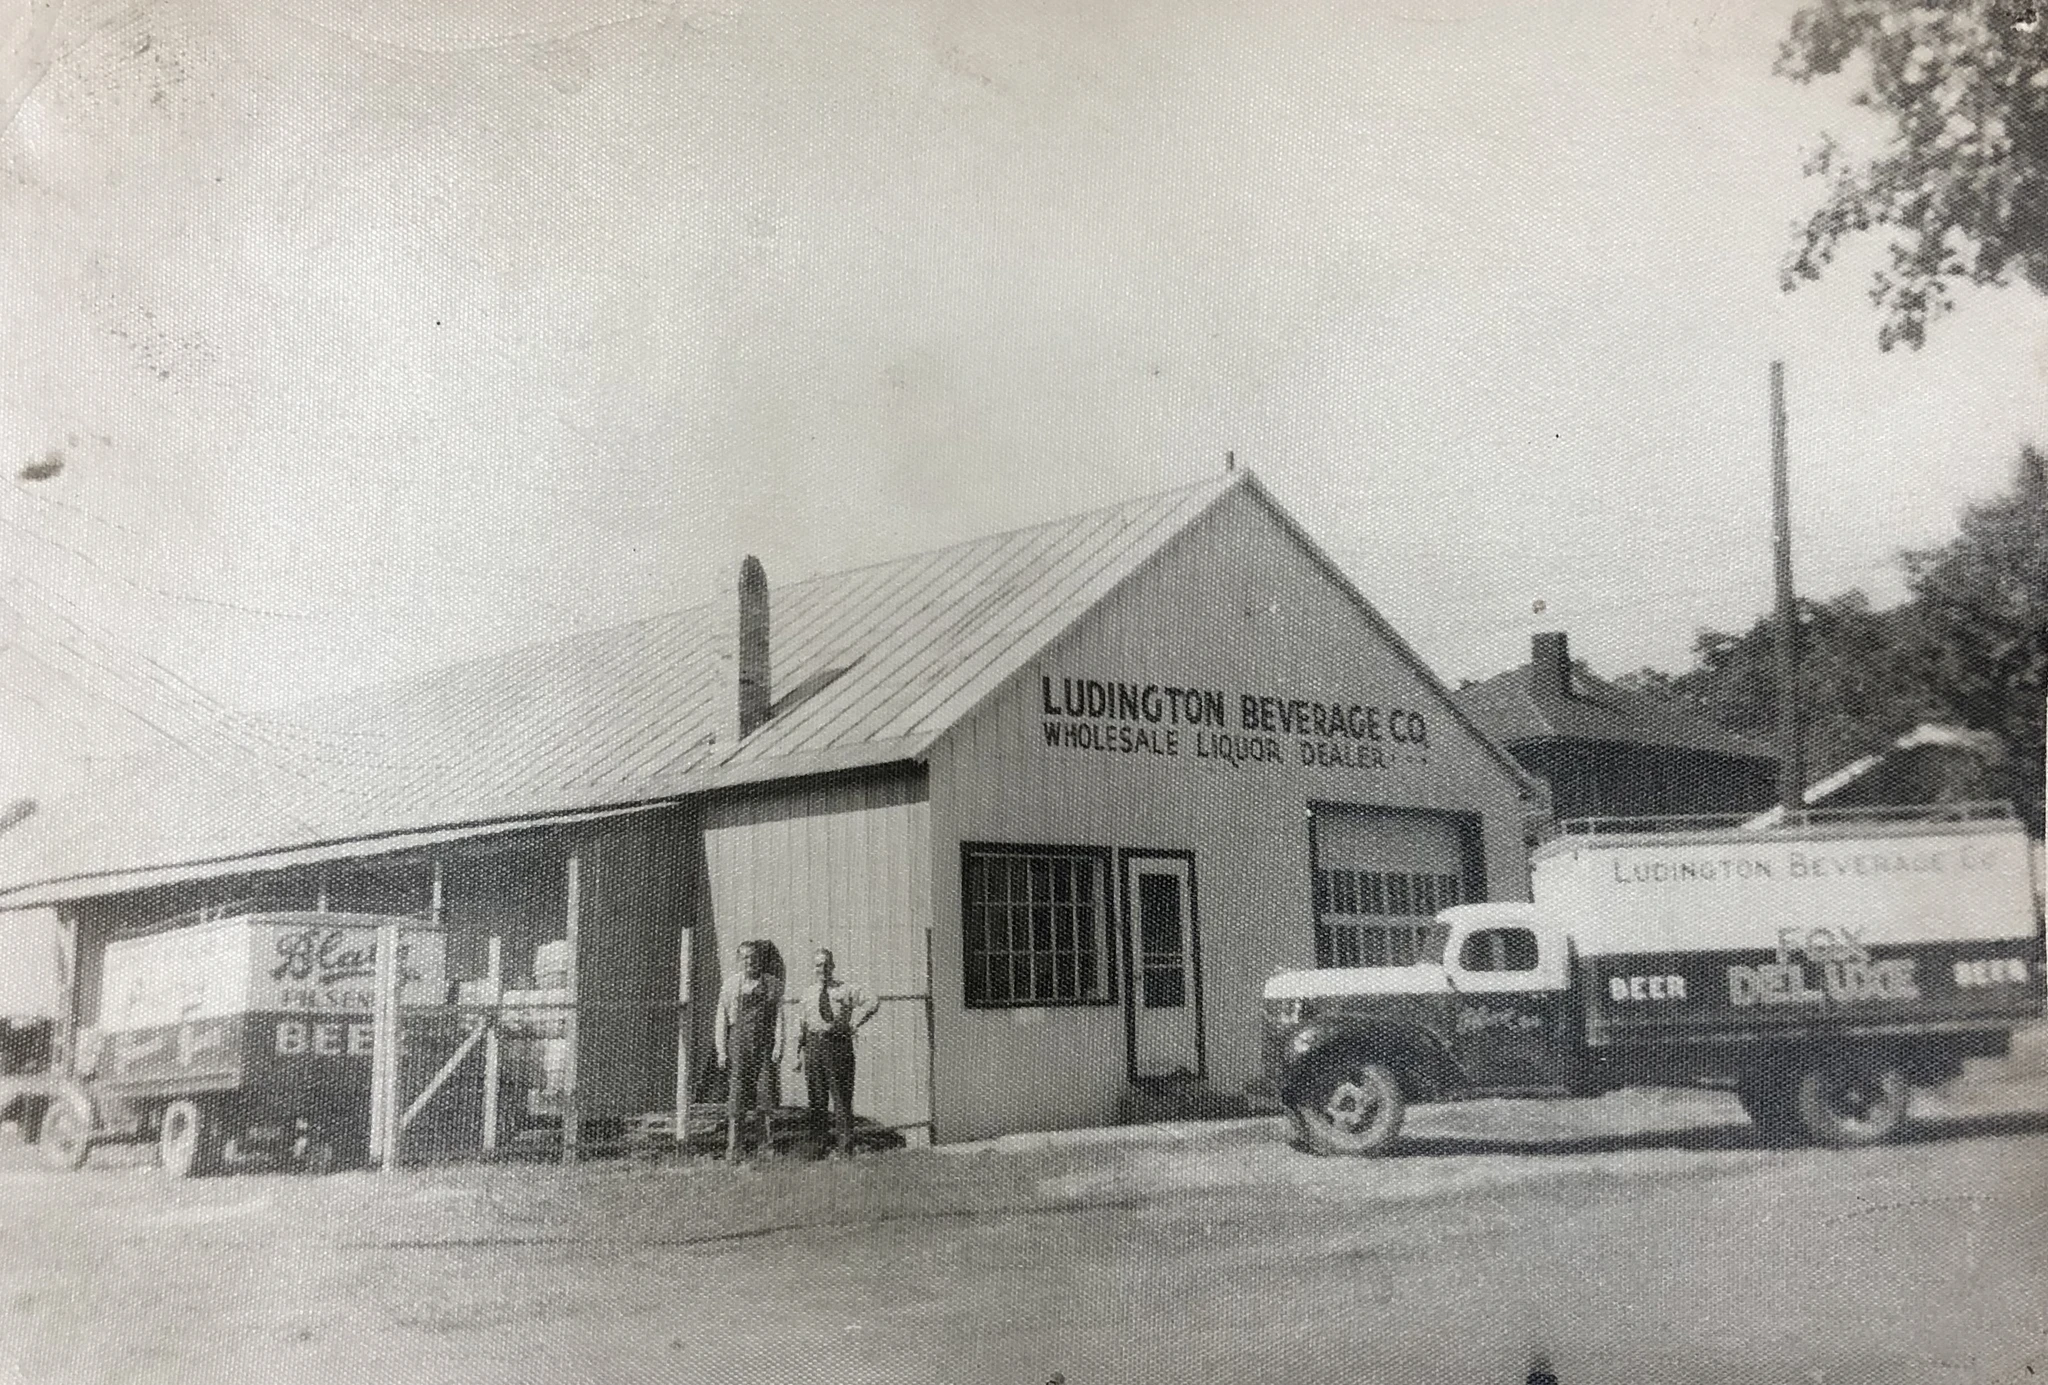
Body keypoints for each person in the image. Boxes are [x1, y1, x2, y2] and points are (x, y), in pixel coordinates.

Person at [792, 948, 878, 1158]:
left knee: (841, 1098)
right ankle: (818, 1147)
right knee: (817, 1099)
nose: (823, 969)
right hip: (813, 1047)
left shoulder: (845, 989)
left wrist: (853, 1024)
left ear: (833, 965)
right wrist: (797, 1054)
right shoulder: (808, 993)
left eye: (826, 964)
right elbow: (800, 1025)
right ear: (814, 968)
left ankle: (845, 1148)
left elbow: (873, 1001)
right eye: (818, 965)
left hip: (838, 1046)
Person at [713, 940, 785, 1162]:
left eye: (753, 957)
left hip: (764, 1046)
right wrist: (721, 1051)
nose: (749, 961)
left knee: (765, 1095)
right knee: (737, 1097)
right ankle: (734, 1151)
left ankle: (766, 1148)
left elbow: (780, 1018)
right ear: (738, 960)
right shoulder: (731, 985)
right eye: (744, 957)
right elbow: (721, 1019)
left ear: (759, 959)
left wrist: (779, 1046)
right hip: (738, 1044)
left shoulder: (772, 984)